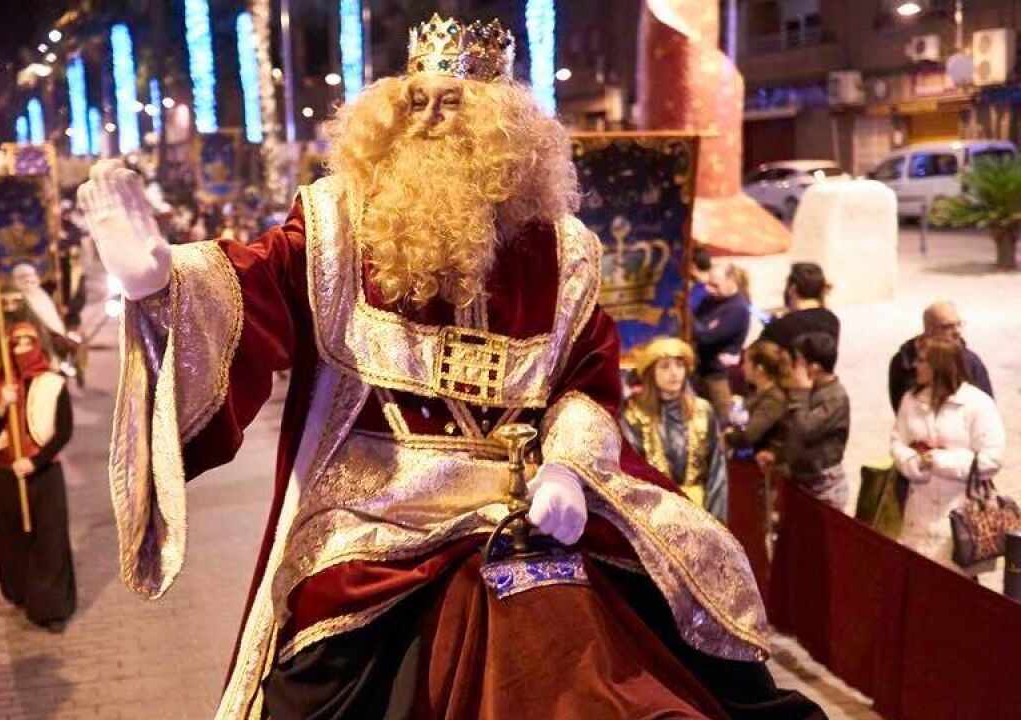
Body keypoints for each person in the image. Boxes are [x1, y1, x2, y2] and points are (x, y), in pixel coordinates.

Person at [78, 14, 821, 718]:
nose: (431, 119)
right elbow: (259, 283)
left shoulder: (562, 249)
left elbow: (586, 381)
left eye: (453, 104)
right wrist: (164, 281)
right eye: (417, 103)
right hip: (376, 507)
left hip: (522, 493)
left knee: (679, 579)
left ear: (502, 128)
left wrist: (568, 471)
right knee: (322, 668)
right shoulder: (337, 224)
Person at [0, 321, 76, 631]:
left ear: (38, 345)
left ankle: (51, 608)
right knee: (13, 540)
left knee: (49, 539)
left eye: (28, 341)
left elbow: (64, 431)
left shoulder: (53, 383)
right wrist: (1, 406)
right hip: (7, 475)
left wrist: (35, 462)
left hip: (44, 474)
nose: (22, 348)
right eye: (16, 342)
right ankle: (19, 592)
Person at [891, 336, 1005, 576]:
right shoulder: (911, 401)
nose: (915, 365)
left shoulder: (978, 404)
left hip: (960, 520)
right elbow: (897, 442)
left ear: (939, 364)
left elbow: (992, 459)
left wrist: (939, 460)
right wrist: (915, 463)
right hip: (917, 518)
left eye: (922, 360)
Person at [621, 338, 729, 522]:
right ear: (651, 373)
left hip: (699, 513)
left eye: (679, 365)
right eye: (665, 366)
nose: (674, 373)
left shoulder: (703, 410)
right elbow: (632, 472)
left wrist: (716, 522)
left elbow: (716, 471)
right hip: (655, 515)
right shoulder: (634, 414)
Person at [782, 332, 850, 510]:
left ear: (814, 368)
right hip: (799, 478)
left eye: (798, 362)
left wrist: (800, 394)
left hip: (823, 485)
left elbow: (805, 430)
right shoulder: (808, 391)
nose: (794, 368)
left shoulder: (835, 398)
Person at [887, 300, 992, 413]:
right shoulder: (904, 363)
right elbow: (900, 408)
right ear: (929, 330)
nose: (957, 331)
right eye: (948, 326)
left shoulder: (971, 362)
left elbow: (987, 409)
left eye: (959, 324)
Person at [692, 262, 750, 420]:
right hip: (699, 370)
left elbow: (707, 337)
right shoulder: (708, 301)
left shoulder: (737, 309)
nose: (708, 289)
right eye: (708, 284)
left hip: (718, 377)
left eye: (715, 285)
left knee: (721, 420)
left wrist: (699, 327)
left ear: (732, 282)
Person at [726, 341, 790, 470]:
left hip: (758, 467)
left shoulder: (774, 399)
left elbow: (749, 436)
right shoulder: (756, 393)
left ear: (759, 369)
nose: (742, 367)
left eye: (746, 363)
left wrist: (726, 437)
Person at [758, 262, 839, 350]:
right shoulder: (832, 320)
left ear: (793, 289)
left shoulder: (782, 326)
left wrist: (772, 327)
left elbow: (757, 353)